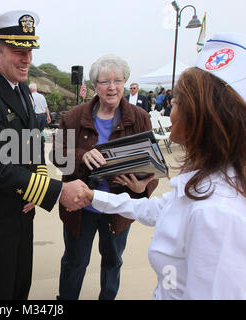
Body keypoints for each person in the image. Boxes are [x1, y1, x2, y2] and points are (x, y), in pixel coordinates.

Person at [77, 32, 246, 300]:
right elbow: (159, 208)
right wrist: (92, 195)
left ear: (201, 116)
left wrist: (144, 182)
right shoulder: (205, 182)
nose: (170, 109)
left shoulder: (217, 213)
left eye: (177, 101)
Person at [0, 10, 90, 300]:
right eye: (19, 51)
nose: (27, 58)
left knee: (21, 284)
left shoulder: (20, 91)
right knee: (3, 292)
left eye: (29, 50)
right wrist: (55, 191)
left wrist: (36, 185)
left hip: (23, 206)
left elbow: (31, 145)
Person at [54, 54, 158, 300]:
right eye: (105, 82)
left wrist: (143, 184)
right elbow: (57, 154)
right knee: (75, 261)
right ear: (94, 86)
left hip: (119, 206)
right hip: (82, 206)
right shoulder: (74, 117)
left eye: (118, 80)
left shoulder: (140, 118)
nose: (112, 87)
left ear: (125, 83)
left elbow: (153, 164)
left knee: (113, 260)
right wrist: (81, 155)